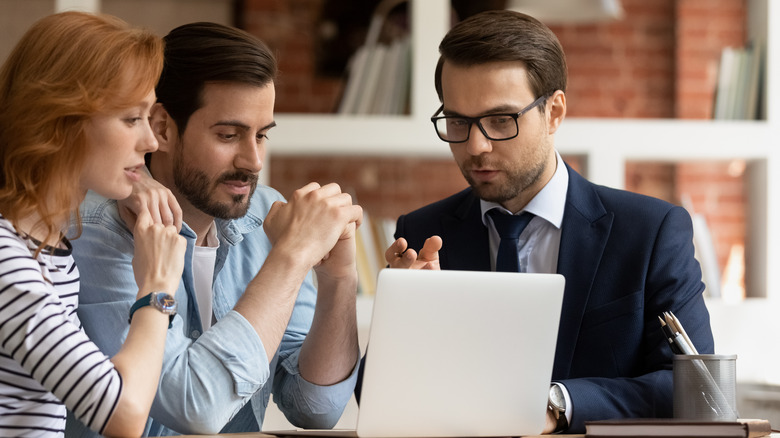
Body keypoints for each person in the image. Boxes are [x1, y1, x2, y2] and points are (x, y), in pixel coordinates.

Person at [383, 10, 715, 434]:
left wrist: (558, 402)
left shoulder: (651, 232)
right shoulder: (422, 231)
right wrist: (409, 319)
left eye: (501, 120)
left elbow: (695, 389)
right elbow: (375, 395)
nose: (477, 146)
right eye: (458, 122)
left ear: (554, 112)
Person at [65, 22, 363, 436]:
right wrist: (292, 258)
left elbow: (315, 407)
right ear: (163, 128)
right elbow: (194, 408)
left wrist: (338, 278)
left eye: (261, 135)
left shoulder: (265, 215)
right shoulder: (97, 231)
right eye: (229, 134)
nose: (254, 161)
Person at [0, 11, 186, 437]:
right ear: (61, 120)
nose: (152, 141)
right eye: (130, 118)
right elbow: (124, 415)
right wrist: (157, 289)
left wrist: (129, 184)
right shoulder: (7, 258)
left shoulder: (49, 243)